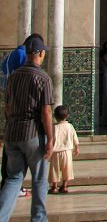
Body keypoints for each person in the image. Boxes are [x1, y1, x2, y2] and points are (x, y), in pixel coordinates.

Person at [0, 34, 53, 222]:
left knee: (13, 179)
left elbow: (7, 106)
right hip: (33, 134)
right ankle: (38, 219)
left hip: (12, 133)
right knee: (39, 180)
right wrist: (50, 139)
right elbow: (46, 111)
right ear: (38, 54)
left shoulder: (13, 76)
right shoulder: (43, 78)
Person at [1, 37, 31, 199]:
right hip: (19, 112)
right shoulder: (20, 55)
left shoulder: (9, 57)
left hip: (11, 107)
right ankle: (14, 187)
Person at [48, 105, 79, 194]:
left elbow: (51, 139)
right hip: (67, 152)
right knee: (67, 169)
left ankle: (54, 187)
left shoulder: (53, 127)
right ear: (67, 116)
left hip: (56, 152)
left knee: (54, 169)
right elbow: (75, 138)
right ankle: (64, 186)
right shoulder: (70, 126)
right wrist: (76, 147)